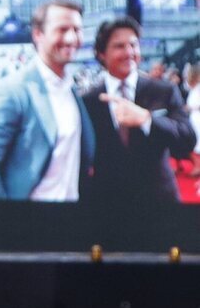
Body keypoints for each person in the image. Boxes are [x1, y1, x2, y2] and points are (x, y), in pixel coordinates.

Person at [0, 0, 95, 200]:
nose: (71, 38)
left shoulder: (71, 89)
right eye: (62, 29)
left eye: (77, 30)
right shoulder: (10, 91)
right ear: (38, 34)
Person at [79, 17, 196, 206]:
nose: (129, 52)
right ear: (101, 54)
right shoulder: (89, 101)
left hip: (159, 201)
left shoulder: (164, 90)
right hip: (108, 204)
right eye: (119, 46)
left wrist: (146, 120)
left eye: (133, 45)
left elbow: (187, 139)